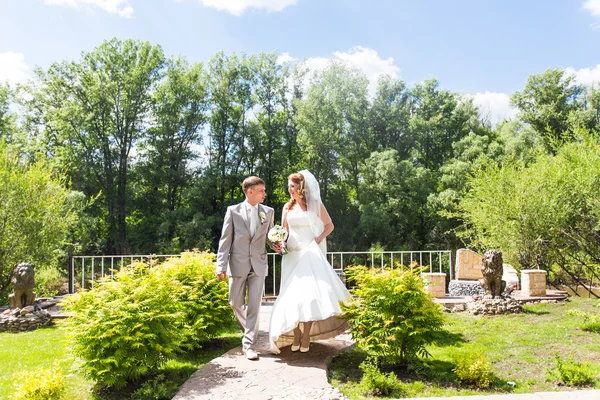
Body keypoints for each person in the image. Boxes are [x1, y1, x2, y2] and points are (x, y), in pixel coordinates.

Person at [269, 170, 351, 354]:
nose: (289, 189)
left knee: (308, 297)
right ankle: (296, 334)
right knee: (291, 297)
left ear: (301, 186)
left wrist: (319, 238)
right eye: (289, 185)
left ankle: (306, 335)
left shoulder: (315, 205)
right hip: (292, 255)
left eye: (292, 185)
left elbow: (330, 225)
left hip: (309, 254)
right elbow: (284, 231)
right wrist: (279, 244)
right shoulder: (287, 207)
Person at [216, 176, 280, 360]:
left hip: (258, 264)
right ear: (250, 192)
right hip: (237, 264)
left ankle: (248, 344)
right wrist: (221, 265)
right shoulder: (233, 211)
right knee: (235, 303)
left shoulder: (268, 212)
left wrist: (276, 244)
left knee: (254, 306)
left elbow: (269, 236)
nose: (264, 194)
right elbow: (225, 239)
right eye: (261, 190)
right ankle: (251, 330)